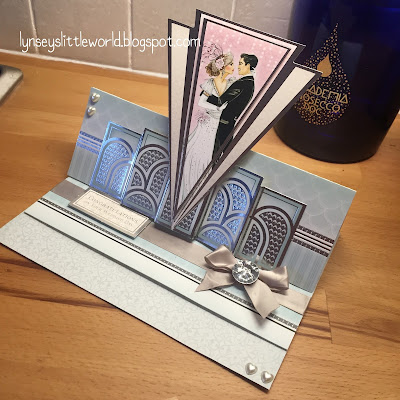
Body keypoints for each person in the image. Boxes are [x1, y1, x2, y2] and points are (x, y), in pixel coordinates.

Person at [178, 52, 235, 206]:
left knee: (213, 155)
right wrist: (218, 108)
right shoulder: (210, 83)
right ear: (223, 67)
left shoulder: (231, 83)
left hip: (221, 124)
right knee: (200, 154)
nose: (233, 67)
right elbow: (201, 102)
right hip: (209, 122)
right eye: (230, 64)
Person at [205, 53, 258, 158]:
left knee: (218, 153)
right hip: (229, 121)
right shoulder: (249, 82)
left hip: (225, 122)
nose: (238, 66)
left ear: (248, 65)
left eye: (240, 63)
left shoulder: (243, 83)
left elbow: (220, 101)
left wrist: (206, 94)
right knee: (224, 151)